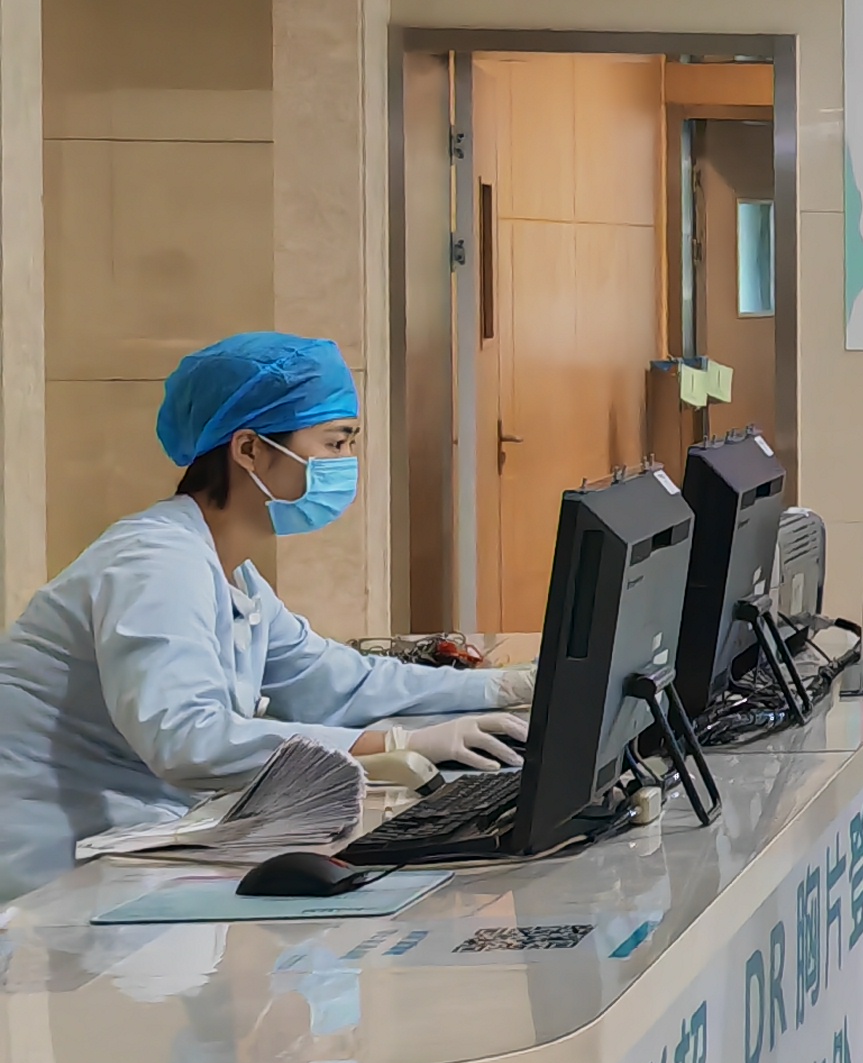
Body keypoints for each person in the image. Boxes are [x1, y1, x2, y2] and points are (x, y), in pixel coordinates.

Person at [0, 330, 528, 893]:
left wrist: (504, 687)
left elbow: (332, 681)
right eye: (334, 443)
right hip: (51, 865)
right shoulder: (155, 564)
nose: (346, 463)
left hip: (134, 831)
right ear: (249, 450)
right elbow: (188, 739)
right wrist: (396, 746)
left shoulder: (230, 571)